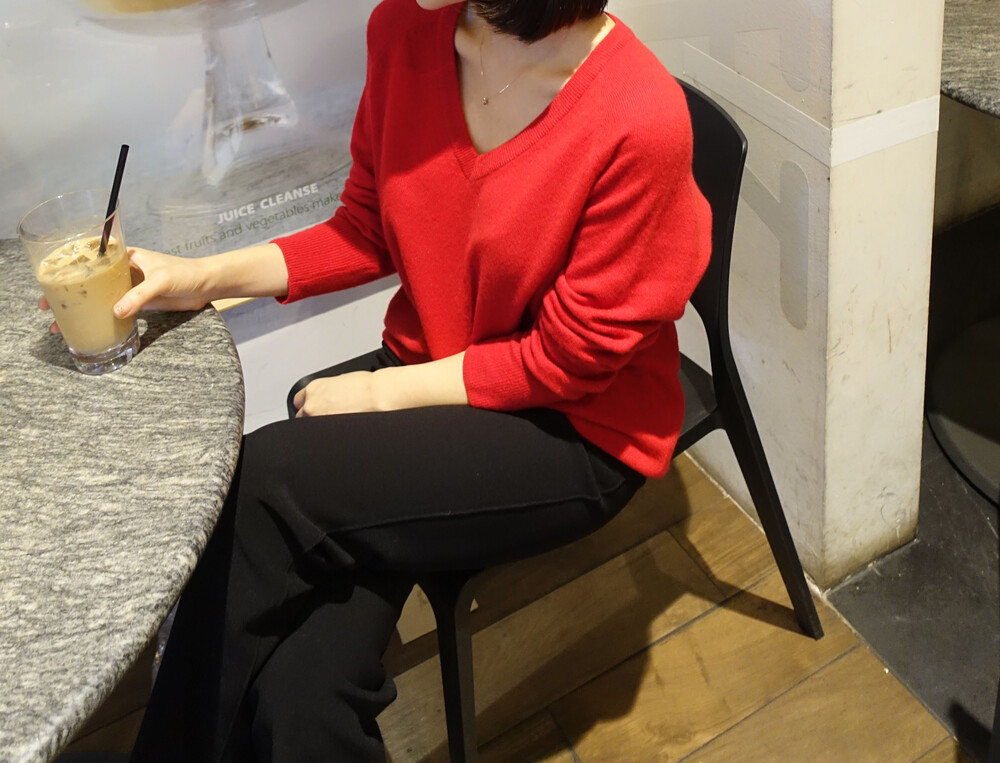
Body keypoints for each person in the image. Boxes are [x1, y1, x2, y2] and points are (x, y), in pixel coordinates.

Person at [62, 0, 711, 759]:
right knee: (304, 694)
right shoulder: (405, 31)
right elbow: (366, 226)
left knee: (267, 476)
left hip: (574, 425)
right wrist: (199, 277)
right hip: (436, 371)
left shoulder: (638, 116)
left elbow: (567, 360)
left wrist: (377, 393)